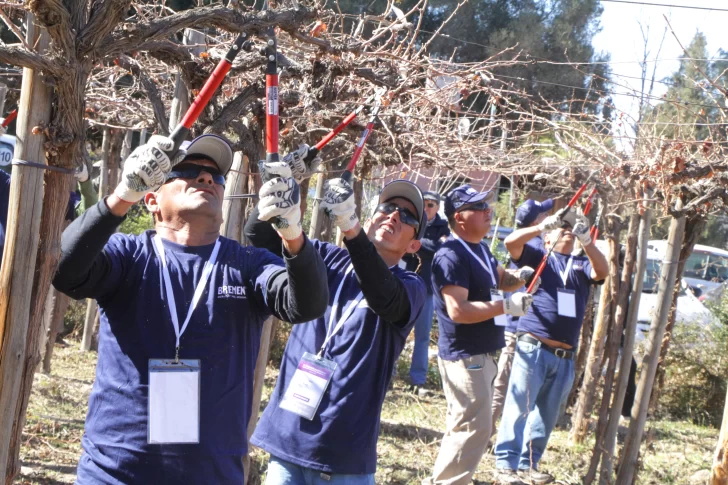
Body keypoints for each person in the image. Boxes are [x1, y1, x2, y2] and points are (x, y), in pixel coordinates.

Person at [52, 134, 329, 484]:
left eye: (216, 176)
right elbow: (64, 271)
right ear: (151, 198)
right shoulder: (128, 255)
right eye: (188, 170)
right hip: (114, 473)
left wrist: (293, 234)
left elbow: (307, 304)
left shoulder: (247, 265)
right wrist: (121, 195)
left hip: (210, 475)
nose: (206, 178)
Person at [245, 158, 427, 484]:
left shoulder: (411, 288)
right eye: (387, 207)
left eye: (408, 216)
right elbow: (259, 233)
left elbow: (384, 295)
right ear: (371, 219)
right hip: (287, 441)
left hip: (344, 455)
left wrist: (350, 228)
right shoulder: (327, 258)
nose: (394, 216)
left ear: (414, 245)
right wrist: (288, 182)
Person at [425, 184, 538, 485]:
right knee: (473, 429)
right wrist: (506, 305)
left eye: (487, 206)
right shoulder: (451, 255)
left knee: (466, 426)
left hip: (482, 355)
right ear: (460, 217)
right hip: (465, 356)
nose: (489, 211)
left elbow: (503, 278)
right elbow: (458, 310)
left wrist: (522, 277)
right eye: (480, 208)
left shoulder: (481, 249)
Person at [494, 208, 608, 485]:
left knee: (546, 414)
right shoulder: (538, 258)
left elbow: (603, 270)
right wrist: (543, 226)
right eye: (562, 228)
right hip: (534, 346)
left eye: (571, 228)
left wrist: (587, 240)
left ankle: (529, 465)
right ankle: (505, 464)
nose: (567, 230)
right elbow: (511, 243)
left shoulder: (580, 266)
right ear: (547, 239)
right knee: (519, 405)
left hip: (565, 355)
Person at [491, 198, 554, 438]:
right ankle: (489, 430)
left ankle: (507, 433)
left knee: (514, 385)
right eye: (542, 215)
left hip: (523, 325)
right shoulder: (531, 245)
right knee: (504, 383)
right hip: (518, 326)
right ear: (536, 221)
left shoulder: (534, 242)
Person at [402, 190, 450, 395]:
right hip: (403, 284)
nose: (428, 208)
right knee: (396, 331)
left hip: (427, 288)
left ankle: (417, 380)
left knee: (422, 337)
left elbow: (440, 250)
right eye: (425, 204)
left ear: (438, 208)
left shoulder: (444, 227)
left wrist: (416, 245)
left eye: (432, 205)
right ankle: (388, 373)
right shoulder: (410, 219)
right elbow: (402, 243)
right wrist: (422, 247)